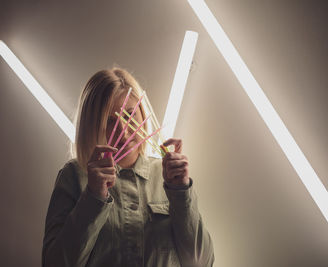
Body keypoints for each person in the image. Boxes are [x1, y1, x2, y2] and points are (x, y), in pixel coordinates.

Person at [42, 67, 215, 267]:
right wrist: (93, 197)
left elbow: (203, 262)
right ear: (91, 124)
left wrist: (181, 191)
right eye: (109, 120)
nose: (124, 132)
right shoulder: (73, 176)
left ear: (143, 115)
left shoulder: (166, 176)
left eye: (130, 116)